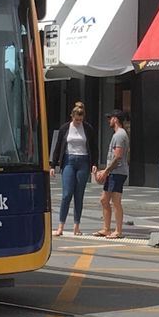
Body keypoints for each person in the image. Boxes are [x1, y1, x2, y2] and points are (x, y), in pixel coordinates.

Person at [49, 102, 97, 237]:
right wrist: (53, 165)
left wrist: (94, 163)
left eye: (80, 120)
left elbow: (93, 146)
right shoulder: (65, 128)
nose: (78, 122)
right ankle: (60, 226)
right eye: (76, 119)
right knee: (66, 194)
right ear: (72, 116)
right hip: (69, 160)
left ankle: (76, 226)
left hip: (83, 161)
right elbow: (58, 147)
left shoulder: (88, 128)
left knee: (79, 194)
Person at [93, 110, 129, 239]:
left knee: (116, 202)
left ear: (116, 119)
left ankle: (118, 231)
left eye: (110, 118)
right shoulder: (117, 134)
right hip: (113, 172)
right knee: (104, 200)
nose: (109, 121)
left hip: (117, 172)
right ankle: (106, 229)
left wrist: (106, 171)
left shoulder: (119, 135)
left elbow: (118, 157)